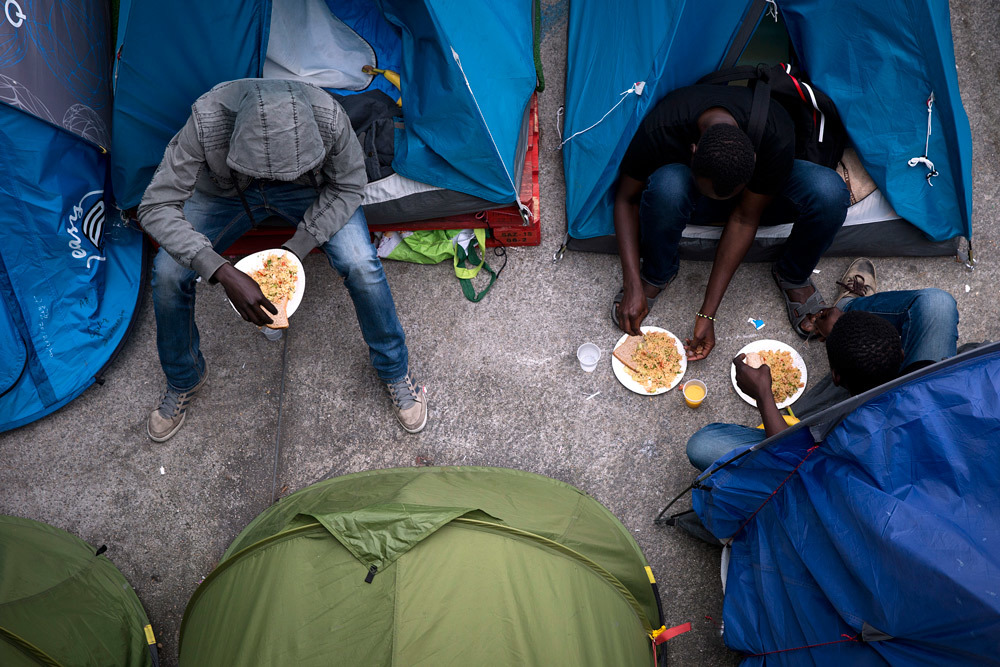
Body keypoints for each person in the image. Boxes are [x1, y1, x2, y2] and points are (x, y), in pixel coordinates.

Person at [138, 79, 427, 442]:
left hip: (308, 193)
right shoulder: (206, 119)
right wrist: (220, 269)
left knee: (360, 263)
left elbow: (350, 184)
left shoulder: (329, 118)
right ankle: (184, 377)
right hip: (228, 195)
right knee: (167, 272)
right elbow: (155, 206)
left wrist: (297, 247)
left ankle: (393, 369)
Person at [612, 84, 850, 359]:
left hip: (760, 184)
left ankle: (792, 275)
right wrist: (631, 283)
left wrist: (708, 314)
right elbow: (625, 200)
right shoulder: (662, 126)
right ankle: (656, 272)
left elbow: (744, 218)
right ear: (693, 151)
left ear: (753, 159)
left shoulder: (775, 131)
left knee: (830, 193)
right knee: (667, 189)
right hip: (688, 178)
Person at [685, 258, 959, 471]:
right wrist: (842, 327)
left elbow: (791, 459)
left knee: (704, 446)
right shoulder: (928, 383)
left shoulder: (855, 433)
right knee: (937, 303)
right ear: (903, 353)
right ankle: (850, 309)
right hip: (922, 414)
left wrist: (763, 394)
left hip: (858, 471)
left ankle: (846, 319)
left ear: (835, 378)